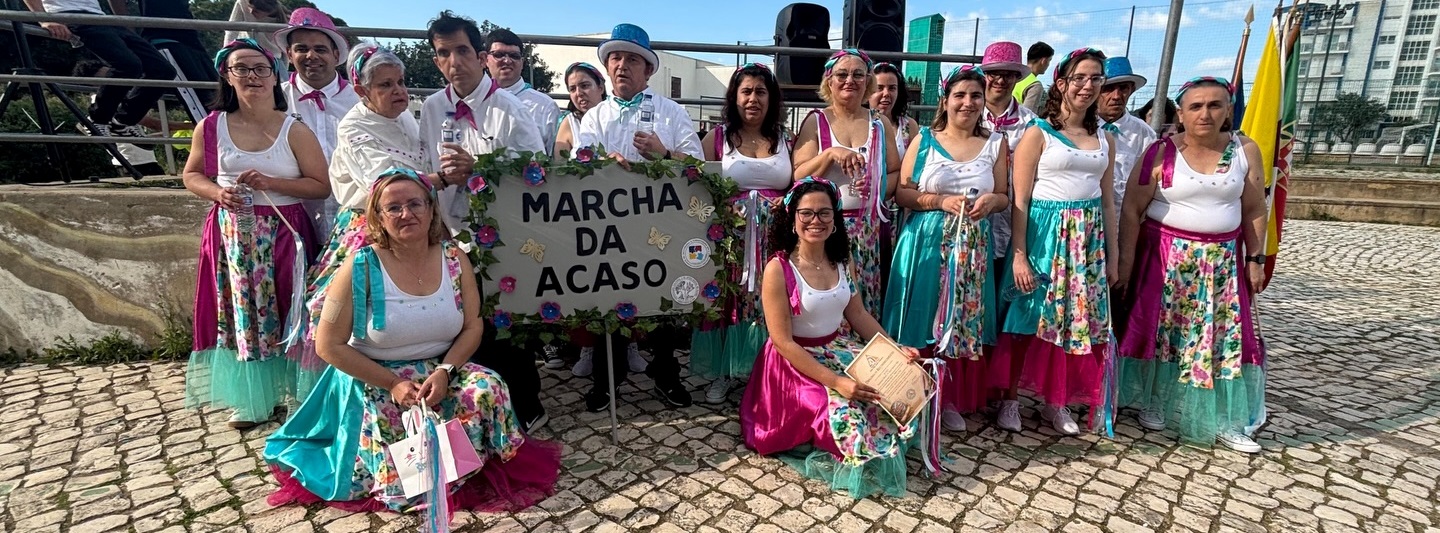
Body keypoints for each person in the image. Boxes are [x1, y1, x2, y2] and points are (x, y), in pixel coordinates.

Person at [264, 169, 562, 512]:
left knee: (487, 386)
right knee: (394, 419)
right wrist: (393, 383)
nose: (407, 214)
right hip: (374, 374)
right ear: (377, 216)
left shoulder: (454, 258)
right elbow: (328, 345)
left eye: (415, 204)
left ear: (431, 209)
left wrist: (447, 371)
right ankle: (410, 478)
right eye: (393, 208)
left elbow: (472, 327)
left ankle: (467, 468)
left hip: (438, 368)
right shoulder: (359, 267)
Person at [301, 43, 472, 396]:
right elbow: (386, 185)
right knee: (355, 313)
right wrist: (443, 179)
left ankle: (431, 366)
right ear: (362, 91)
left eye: (400, 82)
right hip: (376, 224)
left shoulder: (404, 115)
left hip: (419, 218)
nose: (398, 92)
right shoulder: (354, 128)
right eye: (385, 85)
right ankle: (368, 386)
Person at [740, 177, 920, 499]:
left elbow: (859, 316)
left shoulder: (842, 260)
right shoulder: (778, 269)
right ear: (792, 218)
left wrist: (895, 350)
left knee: (897, 393)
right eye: (806, 213)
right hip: (793, 364)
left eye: (825, 213)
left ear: (835, 218)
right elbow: (783, 342)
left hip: (838, 347)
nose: (816, 221)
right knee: (850, 417)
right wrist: (836, 381)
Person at [181, 38, 330, 429]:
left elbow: (320, 185)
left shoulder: (293, 129)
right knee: (245, 314)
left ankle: (298, 393)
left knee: (290, 310)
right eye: (241, 68)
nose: (252, 76)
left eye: (260, 68)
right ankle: (255, 398)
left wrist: (270, 181)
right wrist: (218, 192)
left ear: (275, 75)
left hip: (284, 232)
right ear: (227, 77)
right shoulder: (211, 127)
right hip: (236, 234)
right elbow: (192, 175)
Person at [1115, 77, 1268, 453]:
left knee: (1222, 339)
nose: (1205, 113)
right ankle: (1153, 400)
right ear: (1180, 113)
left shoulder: (1245, 150)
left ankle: (1226, 419)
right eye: (1195, 106)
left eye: (1214, 105)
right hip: (1166, 259)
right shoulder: (1159, 153)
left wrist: (1255, 257)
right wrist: (1127, 262)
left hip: (1220, 264)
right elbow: (1133, 210)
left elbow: (1253, 209)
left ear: (1227, 110)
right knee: (1162, 333)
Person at [419, 11, 549, 431]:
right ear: (436, 60)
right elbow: (426, 167)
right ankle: (478, 407)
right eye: (443, 53)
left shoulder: (509, 107)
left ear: (479, 55)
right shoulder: (433, 108)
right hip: (453, 232)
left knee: (506, 321)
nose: (454, 61)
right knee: (462, 320)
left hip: (504, 233)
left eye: (461, 50)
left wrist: (480, 168)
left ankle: (526, 403)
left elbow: (536, 170)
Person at [576, 23, 702, 410]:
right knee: (605, 300)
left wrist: (664, 155)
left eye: (633, 59)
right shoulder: (594, 117)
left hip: (659, 227)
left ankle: (665, 375)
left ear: (649, 70)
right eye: (615, 58)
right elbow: (576, 165)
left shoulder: (671, 111)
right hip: (608, 228)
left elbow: (696, 163)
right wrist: (599, 162)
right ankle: (607, 381)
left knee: (663, 304)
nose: (622, 66)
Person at [996, 48, 1117, 435]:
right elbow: (1020, 197)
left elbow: (1108, 198)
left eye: (1095, 78)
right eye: (1079, 78)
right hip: (1044, 234)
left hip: (1087, 240)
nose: (1087, 86)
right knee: (1028, 315)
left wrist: (1112, 255)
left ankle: (1056, 400)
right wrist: (1019, 254)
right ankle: (1011, 399)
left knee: (1073, 319)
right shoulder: (1038, 133)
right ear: (1061, 83)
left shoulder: (1105, 138)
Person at [883, 66, 1009, 432]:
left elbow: (1004, 195)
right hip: (925, 241)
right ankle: (909, 389)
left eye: (975, 96)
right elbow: (902, 192)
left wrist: (991, 203)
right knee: (921, 314)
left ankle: (948, 396)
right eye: (960, 95)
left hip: (971, 246)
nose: (968, 103)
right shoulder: (925, 139)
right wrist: (940, 201)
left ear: (984, 101)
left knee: (959, 316)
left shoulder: (995, 144)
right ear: (946, 100)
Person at [690, 63, 793, 405]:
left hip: (774, 239)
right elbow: (700, 190)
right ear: (734, 97)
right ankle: (724, 370)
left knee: (768, 303)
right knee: (728, 302)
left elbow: (796, 186)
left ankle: (763, 371)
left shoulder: (786, 141)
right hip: (728, 240)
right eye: (746, 91)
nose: (753, 99)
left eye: (760, 92)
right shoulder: (716, 139)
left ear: (771, 98)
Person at [791, 49, 902, 321]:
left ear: (868, 82)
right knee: (830, 299)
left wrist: (877, 187)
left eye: (858, 74)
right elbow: (798, 175)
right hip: (827, 228)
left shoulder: (879, 123)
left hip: (869, 231)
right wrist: (830, 155)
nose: (849, 80)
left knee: (865, 300)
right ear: (829, 81)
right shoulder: (816, 120)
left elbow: (896, 171)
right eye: (841, 74)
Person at [25, 0, 178, 140]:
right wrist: (44, 19)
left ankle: (123, 121)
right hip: (71, 15)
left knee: (163, 70)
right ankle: (96, 118)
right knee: (128, 65)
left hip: (101, 17)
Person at [275, 7, 359, 239]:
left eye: (320, 49)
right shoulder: (275, 101)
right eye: (302, 49)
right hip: (293, 216)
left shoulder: (360, 101)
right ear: (289, 55)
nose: (311, 56)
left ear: (335, 54)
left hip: (350, 214)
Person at [978, 41, 1037, 304]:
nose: (1001, 80)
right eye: (994, 73)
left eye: (1009, 73)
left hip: (1016, 219)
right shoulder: (964, 115)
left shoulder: (1033, 124)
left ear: (1017, 78)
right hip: (973, 220)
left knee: (1006, 298)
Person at [1098, 57, 1158, 219]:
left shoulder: (1144, 134)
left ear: (1131, 90)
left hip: (1122, 221)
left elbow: (1149, 184)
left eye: (1123, 88)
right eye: (1108, 88)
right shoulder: (1080, 129)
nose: (1116, 96)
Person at [485, 28, 562, 154]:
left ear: (522, 62)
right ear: (485, 60)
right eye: (499, 55)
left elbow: (554, 159)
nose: (507, 61)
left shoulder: (545, 106)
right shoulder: (473, 102)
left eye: (514, 56)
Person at [133, 0, 217, 108]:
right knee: (203, 103)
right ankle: (118, 118)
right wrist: (127, 26)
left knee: (224, 97)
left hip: (191, 38)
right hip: (164, 38)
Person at [552, 62, 607, 157]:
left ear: (600, 88)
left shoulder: (616, 115)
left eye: (584, 86)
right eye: (572, 89)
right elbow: (559, 166)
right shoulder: (569, 123)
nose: (578, 93)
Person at [225, 0, 290, 71]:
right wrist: (226, 54)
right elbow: (231, 31)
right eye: (249, 7)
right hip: (246, 53)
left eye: (256, 11)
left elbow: (285, 47)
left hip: (272, 58)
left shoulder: (282, 18)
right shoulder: (242, 3)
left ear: (269, 12)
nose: (251, 12)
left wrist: (285, 69)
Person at [869, 62, 918, 153]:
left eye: (892, 88)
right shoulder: (858, 123)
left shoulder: (910, 126)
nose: (886, 93)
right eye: (879, 88)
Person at [1014, 41, 1054, 114]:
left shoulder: (1013, 76)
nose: (1048, 64)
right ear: (1043, 61)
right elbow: (1028, 117)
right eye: (1049, 60)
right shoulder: (1035, 85)